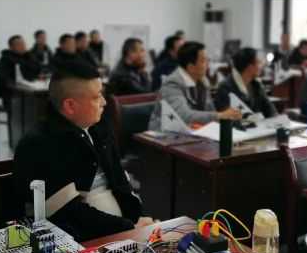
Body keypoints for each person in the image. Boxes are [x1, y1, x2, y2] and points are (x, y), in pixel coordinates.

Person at [14, 61, 152, 241]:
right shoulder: (39, 145)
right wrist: (128, 227)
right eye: (96, 97)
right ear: (70, 106)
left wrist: (140, 219)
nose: (104, 102)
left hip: (124, 233)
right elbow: (69, 214)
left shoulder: (98, 127)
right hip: (81, 242)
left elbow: (121, 182)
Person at [149, 42, 241, 130]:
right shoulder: (172, 84)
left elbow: (210, 110)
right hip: (165, 134)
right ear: (191, 67)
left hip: (193, 131)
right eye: (204, 61)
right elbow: (184, 116)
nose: (208, 64)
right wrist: (220, 115)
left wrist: (228, 115)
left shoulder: (203, 80)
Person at [215, 48, 277, 117]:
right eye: (259, 63)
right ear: (250, 67)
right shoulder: (225, 88)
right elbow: (226, 118)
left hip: (258, 123)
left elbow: (270, 110)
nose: (261, 66)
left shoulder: (256, 85)